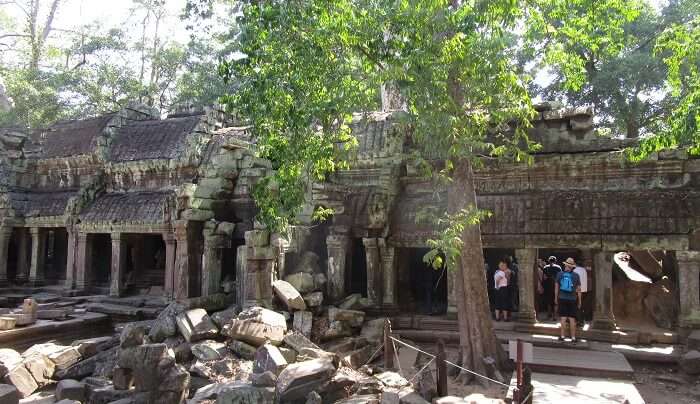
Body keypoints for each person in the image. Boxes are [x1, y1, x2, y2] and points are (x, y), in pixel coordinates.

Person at [557, 257, 582, 343]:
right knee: (572, 319)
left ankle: (562, 336)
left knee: (563, 318)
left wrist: (555, 298)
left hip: (562, 298)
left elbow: (556, 288)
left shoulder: (559, 274)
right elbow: (579, 290)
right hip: (572, 299)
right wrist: (579, 301)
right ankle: (573, 338)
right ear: (572, 267)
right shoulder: (576, 276)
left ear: (565, 265)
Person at [571, 258, 590, 328]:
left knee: (577, 306)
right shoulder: (584, 270)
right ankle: (582, 320)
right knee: (582, 306)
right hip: (584, 290)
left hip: (577, 291)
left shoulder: (575, 271)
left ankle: (579, 321)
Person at [542, 256, 561, 321]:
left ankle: (549, 314)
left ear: (548, 261)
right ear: (555, 261)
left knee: (549, 301)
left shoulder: (545, 267)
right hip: (556, 286)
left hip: (548, 286)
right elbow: (560, 277)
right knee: (556, 301)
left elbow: (544, 277)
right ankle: (555, 316)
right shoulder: (558, 267)